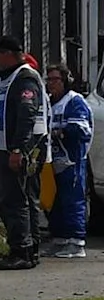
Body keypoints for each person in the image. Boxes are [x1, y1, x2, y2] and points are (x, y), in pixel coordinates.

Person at [0, 34, 46, 270]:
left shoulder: (25, 78)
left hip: (16, 149)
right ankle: (29, 248)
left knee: (15, 200)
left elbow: (27, 115)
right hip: (0, 147)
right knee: (13, 199)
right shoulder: (3, 80)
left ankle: (22, 251)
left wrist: (19, 148)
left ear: (7, 54)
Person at [50, 61, 93, 259]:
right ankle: (59, 239)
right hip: (54, 161)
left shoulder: (74, 101)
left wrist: (60, 131)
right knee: (55, 202)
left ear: (65, 81)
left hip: (72, 160)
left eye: (55, 79)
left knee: (73, 201)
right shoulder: (50, 102)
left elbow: (82, 129)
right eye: (48, 79)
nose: (51, 84)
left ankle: (76, 242)